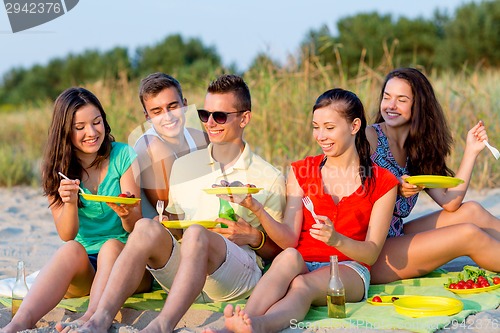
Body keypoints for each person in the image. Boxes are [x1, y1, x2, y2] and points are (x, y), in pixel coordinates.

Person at [67, 74, 286, 333]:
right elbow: (177, 225)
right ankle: (99, 320)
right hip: (184, 275)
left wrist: (253, 237)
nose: (211, 123)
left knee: (196, 233)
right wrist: (167, 225)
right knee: (146, 228)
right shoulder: (183, 165)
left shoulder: (269, 176)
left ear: (244, 118)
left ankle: (162, 325)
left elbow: (281, 252)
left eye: (221, 116)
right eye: (205, 115)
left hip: (234, 276)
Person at [205, 88, 399, 333]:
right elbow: (288, 240)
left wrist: (336, 239)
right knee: (288, 257)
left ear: (354, 126)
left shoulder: (382, 181)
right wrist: (256, 208)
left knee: (301, 285)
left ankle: (259, 326)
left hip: (349, 268)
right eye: (315, 126)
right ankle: (236, 325)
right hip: (303, 260)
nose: (320, 136)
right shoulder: (301, 171)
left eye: (329, 127)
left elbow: (370, 254)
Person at [0, 88, 151, 333]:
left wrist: (126, 213)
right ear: (65, 131)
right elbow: (67, 234)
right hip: (86, 269)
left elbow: (136, 228)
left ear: (104, 120)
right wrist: (69, 203)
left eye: (96, 122)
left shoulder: (123, 155)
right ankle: (18, 323)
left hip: (126, 262)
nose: (91, 132)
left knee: (112, 245)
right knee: (70, 249)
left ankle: (90, 318)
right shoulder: (55, 169)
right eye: (79, 127)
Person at [366, 67, 500, 284]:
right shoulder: (369, 137)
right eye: (387, 97)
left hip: (395, 234)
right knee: (468, 234)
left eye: (401, 99)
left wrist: (471, 150)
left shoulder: (416, 147)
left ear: (418, 106)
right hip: (371, 250)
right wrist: (391, 187)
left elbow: (450, 202)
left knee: (472, 211)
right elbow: (346, 184)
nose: (390, 105)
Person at [133, 72, 208, 218]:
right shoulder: (151, 147)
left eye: (173, 107)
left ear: (184, 105)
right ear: (147, 116)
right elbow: (170, 215)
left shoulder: (200, 139)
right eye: (157, 111)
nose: (167, 117)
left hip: (199, 224)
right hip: (165, 232)